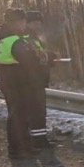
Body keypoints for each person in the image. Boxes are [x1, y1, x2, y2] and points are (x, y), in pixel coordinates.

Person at [0, 8, 39, 159]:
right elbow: (29, 60)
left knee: (16, 114)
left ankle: (22, 147)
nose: (25, 24)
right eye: (23, 21)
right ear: (17, 22)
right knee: (19, 115)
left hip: (6, 77)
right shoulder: (14, 40)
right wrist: (43, 58)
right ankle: (18, 149)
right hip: (16, 79)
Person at [25, 10, 56, 149]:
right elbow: (33, 57)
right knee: (36, 111)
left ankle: (39, 139)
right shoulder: (28, 38)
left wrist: (50, 57)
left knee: (38, 111)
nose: (38, 26)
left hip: (37, 80)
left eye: (39, 23)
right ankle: (38, 141)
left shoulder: (35, 38)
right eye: (34, 23)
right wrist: (47, 58)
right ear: (28, 23)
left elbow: (40, 56)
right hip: (32, 81)